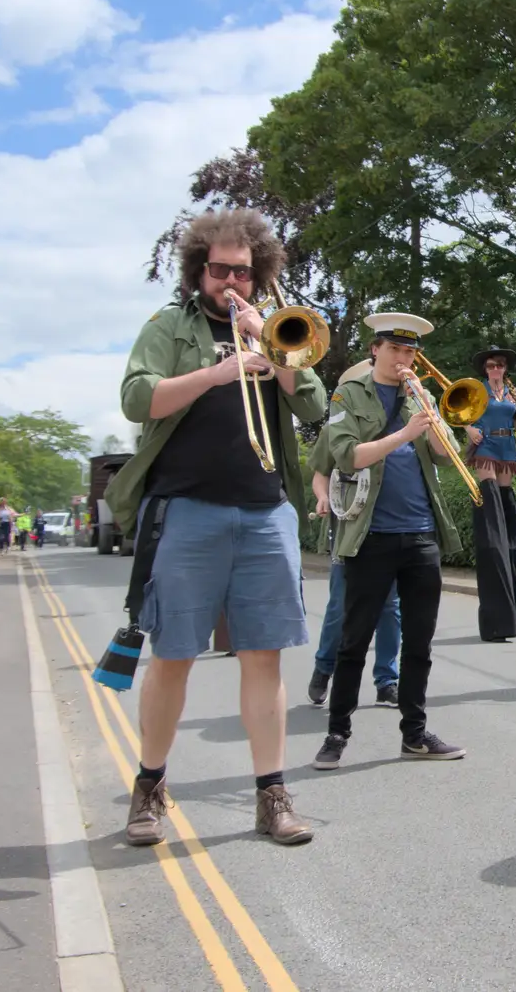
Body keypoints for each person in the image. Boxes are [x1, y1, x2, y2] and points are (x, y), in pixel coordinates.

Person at [104, 207, 323, 847]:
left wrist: (269, 344)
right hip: (185, 508)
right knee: (172, 655)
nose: (233, 282)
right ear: (199, 267)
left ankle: (271, 796)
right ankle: (149, 788)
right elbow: (136, 397)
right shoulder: (170, 325)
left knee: (265, 656)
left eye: (245, 273)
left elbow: (311, 403)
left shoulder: (275, 328)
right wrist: (219, 373)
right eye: (221, 270)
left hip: (263, 511)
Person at [311, 313, 467, 771]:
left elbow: (446, 455)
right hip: (370, 533)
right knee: (353, 641)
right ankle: (337, 734)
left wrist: (434, 419)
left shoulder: (419, 395)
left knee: (419, 643)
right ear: (375, 350)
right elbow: (346, 455)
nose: (403, 359)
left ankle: (414, 735)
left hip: (420, 533)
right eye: (395, 349)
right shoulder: (350, 394)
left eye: (410, 352)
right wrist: (403, 432)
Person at [305, 359, 403, 709]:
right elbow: (320, 474)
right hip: (350, 524)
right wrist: (322, 498)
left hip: (390, 525)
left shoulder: (404, 410)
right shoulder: (338, 423)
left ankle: (387, 680)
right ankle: (323, 668)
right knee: (341, 605)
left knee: (390, 607)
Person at [465, 344, 516, 642]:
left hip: (507, 448)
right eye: (491, 365)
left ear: (505, 368)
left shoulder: (514, 393)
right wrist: (469, 429)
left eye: (500, 365)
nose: (495, 369)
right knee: (490, 497)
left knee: (506, 502)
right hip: (486, 444)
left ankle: (506, 540)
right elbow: (459, 413)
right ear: (485, 368)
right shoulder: (477, 390)